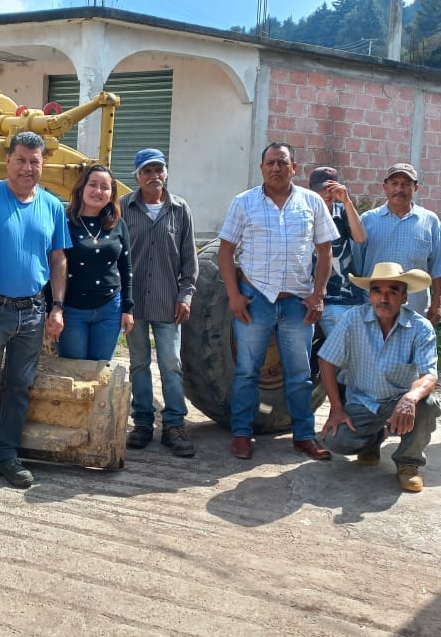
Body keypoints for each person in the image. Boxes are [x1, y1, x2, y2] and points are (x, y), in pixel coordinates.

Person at [0, 130, 70, 488]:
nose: (27, 167)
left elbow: (57, 259)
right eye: (20, 159)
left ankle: (6, 455)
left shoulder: (52, 205)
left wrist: (57, 307)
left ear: (43, 164)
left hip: (34, 311)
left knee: (20, 386)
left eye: (34, 161)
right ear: (7, 161)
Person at [217, 142, 338, 462]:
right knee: (247, 371)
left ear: (294, 167)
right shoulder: (244, 203)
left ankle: (303, 436)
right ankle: (242, 434)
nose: (276, 168)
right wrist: (233, 295)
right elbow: (226, 251)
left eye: (282, 163)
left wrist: (319, 294)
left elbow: (325, 252)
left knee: (299, 374)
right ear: (261, 168)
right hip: (256, 299)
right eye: (270, 163)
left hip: (297, 303)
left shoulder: (311, 202)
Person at [319, 263, 440, 493]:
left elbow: (429, 376)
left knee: (428, 404)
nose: (383, 298)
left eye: (392, 291)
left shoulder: (420, 327)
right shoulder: (353, 318)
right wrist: (336, 407)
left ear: (404, 297)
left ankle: (408, 463)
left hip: (399, 403)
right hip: (362, 402)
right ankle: (374, 440)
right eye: (377, 291)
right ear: (370, 295)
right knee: (335, 440)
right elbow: (326, 360)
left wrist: (410, 398)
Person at [119, 148, 198, 457]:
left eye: (158, 170)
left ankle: (175, 426)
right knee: (138, 363)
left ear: (166, 173)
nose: (153, 176)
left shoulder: (180, 209)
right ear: (137, 176)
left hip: (168, 302)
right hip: (134, 302)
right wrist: (121, 302)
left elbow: (190, 260)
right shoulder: (124, 207)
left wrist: (186, 294)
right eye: (147, 171)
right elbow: (117, 256)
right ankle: (142, 423)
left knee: (171, 364)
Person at [355, 163, 441, 326]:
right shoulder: (368, 220)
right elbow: (356, 265)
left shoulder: (429, 221)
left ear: (415, 188)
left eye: (406, 184)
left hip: (415, 310)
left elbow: (439, 265)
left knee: (412, 351)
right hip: (373, 308)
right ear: (385, 186)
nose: (399, 189)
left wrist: (438, 303)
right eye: (394, 183)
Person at [58, 164, 134, 361]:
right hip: (73, 310)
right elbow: (55, 266)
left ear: (112, 193)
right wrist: (54, 308)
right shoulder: (64, 223)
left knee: (99, 372)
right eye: (93, 184)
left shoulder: (118, 224)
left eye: (105, 187)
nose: (98, 191)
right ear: (81, 188)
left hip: (110, 309)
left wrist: (128, 309)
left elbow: (126, 268)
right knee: (74, 372)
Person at [308, 166, 368, 339]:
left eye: (331, 188)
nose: (327, 194)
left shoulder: (341, 212)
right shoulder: (304, 215)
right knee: (344, 346)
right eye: (321, 189)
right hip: (323, 299)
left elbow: (361, 237)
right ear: (312, 190)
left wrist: (347, 201)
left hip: (349, 296)